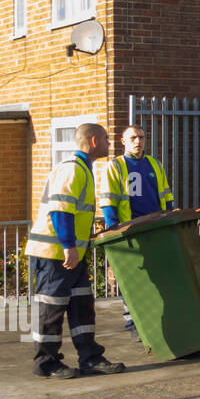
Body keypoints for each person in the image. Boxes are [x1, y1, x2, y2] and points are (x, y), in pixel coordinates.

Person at [24, 123, 126, 378]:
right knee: (52, 307)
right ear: (93, 141)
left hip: (71, 255)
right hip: (55, 254)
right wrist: (69, 246)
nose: (108, 143)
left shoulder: (82, 169)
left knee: (82, 305)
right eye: (105, 138)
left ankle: (90, 357)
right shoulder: (73, 169)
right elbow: (60, 210)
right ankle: (45, 362)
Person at [98, 126, 174, 332]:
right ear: (123, 141)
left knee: (157, 274)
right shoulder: (116, 166)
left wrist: (169, 218)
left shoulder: (154, 164)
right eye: (132, 138)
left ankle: (158, 317)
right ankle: (132, 321)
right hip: (130, 229)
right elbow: (108, 202)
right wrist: (115, 230)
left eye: (141, 137)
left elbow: (166, 195)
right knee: (133, 277)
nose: (138, 141)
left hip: (155, 227)